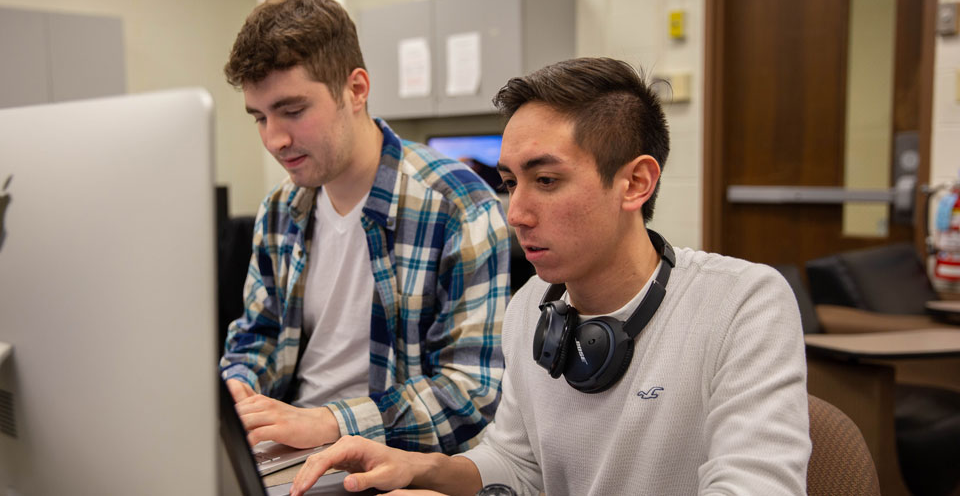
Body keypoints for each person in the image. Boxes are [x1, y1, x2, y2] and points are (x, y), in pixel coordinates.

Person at [290, 57, 811, 495]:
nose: (515, 212)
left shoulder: (744, 304)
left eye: (545, 180)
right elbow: (518, 466)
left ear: (635, 183)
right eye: (510, 182)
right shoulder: (531, 307)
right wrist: (420, 468)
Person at [219, 0, 510, 455]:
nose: (275, 139)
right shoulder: (280, 208)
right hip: (289, 449)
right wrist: (237, 388)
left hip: (394, 460)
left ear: (356, 89)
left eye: (293, 111)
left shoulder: (455, 204)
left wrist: (329, 423)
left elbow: (469, 395)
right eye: (260, 117)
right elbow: (258, 335)